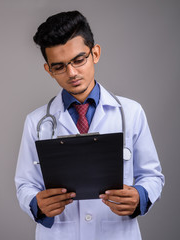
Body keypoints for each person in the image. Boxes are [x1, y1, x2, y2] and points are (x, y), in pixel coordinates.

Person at [15, 10, 164, 240]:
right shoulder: (35, 122)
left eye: (79, 60)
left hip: (117, 233)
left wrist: (140, 196)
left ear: (95, 53)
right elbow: (25, 184)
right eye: (60, 66)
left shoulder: (131, 113)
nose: (72, 73)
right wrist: (36, 203)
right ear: (49, 70)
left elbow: (152, 176)